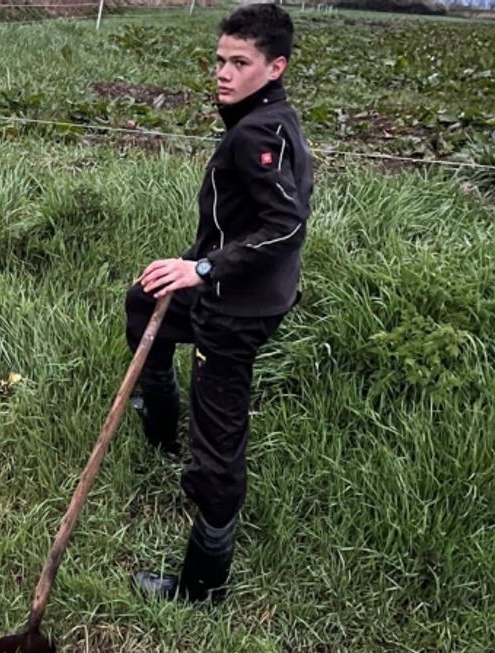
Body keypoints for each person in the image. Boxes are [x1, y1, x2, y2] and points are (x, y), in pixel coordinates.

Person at [127, 3, 313, 603]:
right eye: (219, 60)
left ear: (275, 66)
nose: (223, 73)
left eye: (240, 62)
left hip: (238, 310)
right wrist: (189, 264)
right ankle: (158, 425)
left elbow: (285, 226)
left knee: (218, 446)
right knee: (142, 301)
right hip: (224, 285)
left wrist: (202, 268)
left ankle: (203, 585)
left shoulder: (258, 133)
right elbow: (235, 219)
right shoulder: (259, 117)